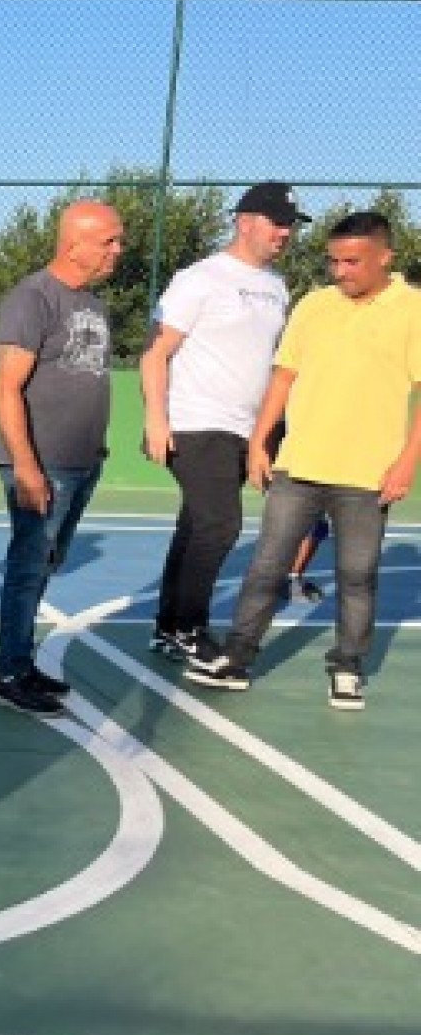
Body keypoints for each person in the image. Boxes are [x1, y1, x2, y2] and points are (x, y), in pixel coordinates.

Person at [186, 212, 421, 710]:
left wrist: (406, 463)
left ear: (385, 257)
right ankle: (237, 658)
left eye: (352, 262)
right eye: (334, 261)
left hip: (367, 476)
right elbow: (284, 376)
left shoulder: (413, 310)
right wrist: (259, 442)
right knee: (266, 567)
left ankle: (348, 667)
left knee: (358, 577)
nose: (341, 271)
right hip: (298, 467)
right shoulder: (314, 305)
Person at [141, 183, 303, 664]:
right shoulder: (199, 278)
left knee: (195, 524)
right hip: (195, 422)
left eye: (290, 224)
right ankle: (190, 629)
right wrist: (156, 419)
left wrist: (268, 433)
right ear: (245, 220)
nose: (285, 232)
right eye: (277, 222)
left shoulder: (278, 288)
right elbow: (156, 353)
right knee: (219, 525)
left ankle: (168, 627)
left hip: (243, 429)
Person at [0, 200, 124, 716]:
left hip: (81, 461)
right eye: (108, 240)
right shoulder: (32, 299)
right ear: (74, 244)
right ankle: (8, 671)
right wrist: (26, 465)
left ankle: (20, 660)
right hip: (41, 463)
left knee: (45, 563)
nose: (118, 249)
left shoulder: (91, 303)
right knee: (28, 566)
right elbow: (6, 388)